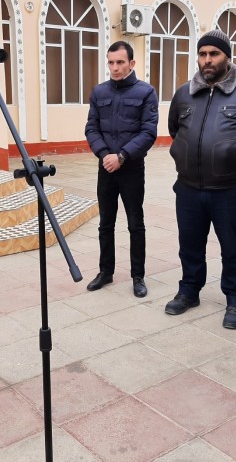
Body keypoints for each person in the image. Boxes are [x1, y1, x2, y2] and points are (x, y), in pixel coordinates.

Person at [165, 30, 236, 329]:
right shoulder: (184, 93)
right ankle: (189, 291)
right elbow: (175, 129)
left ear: (227, 56)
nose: (207, 60)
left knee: (233, 247)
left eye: (213, 54)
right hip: (188, 186)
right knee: (189, 244)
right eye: (202, 54)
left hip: (230, 188)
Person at [84, 41, 159, 298]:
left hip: (132, 169)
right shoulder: (99, 92)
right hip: (106, 168)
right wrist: (106, 155)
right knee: (105, 224)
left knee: (135, 224)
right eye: (111, 62)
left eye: (120, 62)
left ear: (132, 64)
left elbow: (148, 132)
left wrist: (123, 156)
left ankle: (138, 276)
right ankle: (106, 272)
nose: (114, 67)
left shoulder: (146, 92)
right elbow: (91, 128)